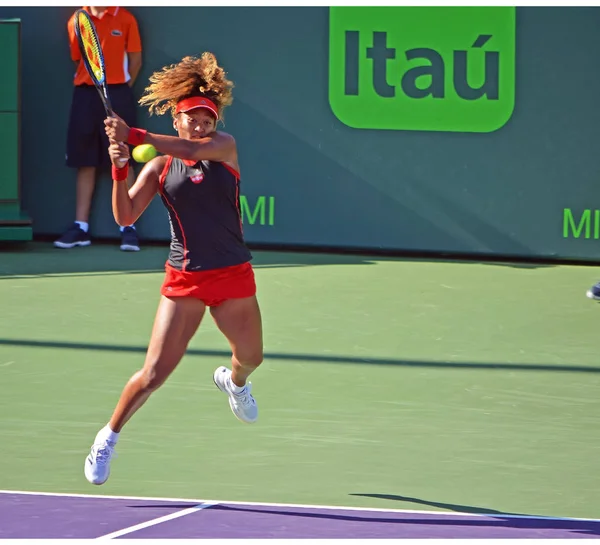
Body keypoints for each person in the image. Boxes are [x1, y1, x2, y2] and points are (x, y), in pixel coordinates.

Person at [83, 52, 263, 485]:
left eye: (207, 119)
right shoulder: (160, 166)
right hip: (185, 278)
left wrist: (137, 133)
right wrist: (120, 165)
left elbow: (188, 149)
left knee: (252, 358)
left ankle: (234, 383)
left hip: (232, 273)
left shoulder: (223, 149)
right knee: (152, 375)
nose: (199, 125)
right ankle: (107, 438)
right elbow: (126, 215)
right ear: (178, 119)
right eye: (191, 118)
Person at [54, 6, 142, 252]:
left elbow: (135, 61)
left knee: (124, 157)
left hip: (119, 94)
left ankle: (128, 226)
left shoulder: (126, 19)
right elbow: (77, 59)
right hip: (84, 95)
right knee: (85, 161)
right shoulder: (76, 20)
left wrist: (118, 90)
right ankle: (80, 227)